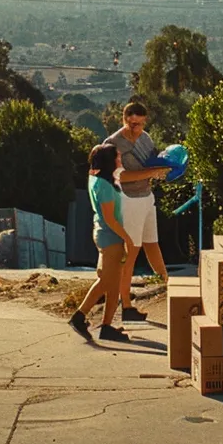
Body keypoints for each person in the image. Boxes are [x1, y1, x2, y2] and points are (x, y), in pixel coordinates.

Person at [105, 101, 170, 322]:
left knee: (152, 244)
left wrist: (165, 168)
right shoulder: (113, 144)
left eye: (141, 124)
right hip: (127, 200)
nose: (136, 129)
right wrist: (152, 172)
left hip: (146, 196)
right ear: (124, 119)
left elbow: (151, 163)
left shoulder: (146, 138)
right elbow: (120, 176)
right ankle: (126, 306)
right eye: (133, 124)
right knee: (130, 253)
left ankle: (169, 285)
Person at [69, 145, 133, 342]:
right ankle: (79, 316)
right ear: (110, 161)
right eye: (118, 156)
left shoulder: (99, 179)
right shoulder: (103, 186)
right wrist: (127, 238)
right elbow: (110, 219)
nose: (120, 159)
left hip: (106, 235)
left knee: (113, 284)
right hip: (110, 237)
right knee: (107, 281)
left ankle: (107, 326)